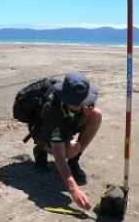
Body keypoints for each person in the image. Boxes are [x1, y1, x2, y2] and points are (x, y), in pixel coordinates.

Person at [31, 72, 103, 211]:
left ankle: (74, 161)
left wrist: (86, 113)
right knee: (70, 150)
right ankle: (41, 148)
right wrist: (73, 188)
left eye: (83, 100)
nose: (81, 104)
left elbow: (84, 110)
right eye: (75, 101)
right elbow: (59, 156)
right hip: (43, 130)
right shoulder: (53, 109)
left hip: (66, 124)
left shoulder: (84, 101)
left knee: (96, 115)